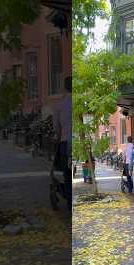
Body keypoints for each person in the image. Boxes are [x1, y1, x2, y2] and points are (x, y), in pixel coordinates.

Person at [54, 76, 72, 210]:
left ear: (65, 87)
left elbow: (56, 129)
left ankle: (70, 202)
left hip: (65, 143)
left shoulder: (60, 105)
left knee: (67, 173)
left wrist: (59, 136)